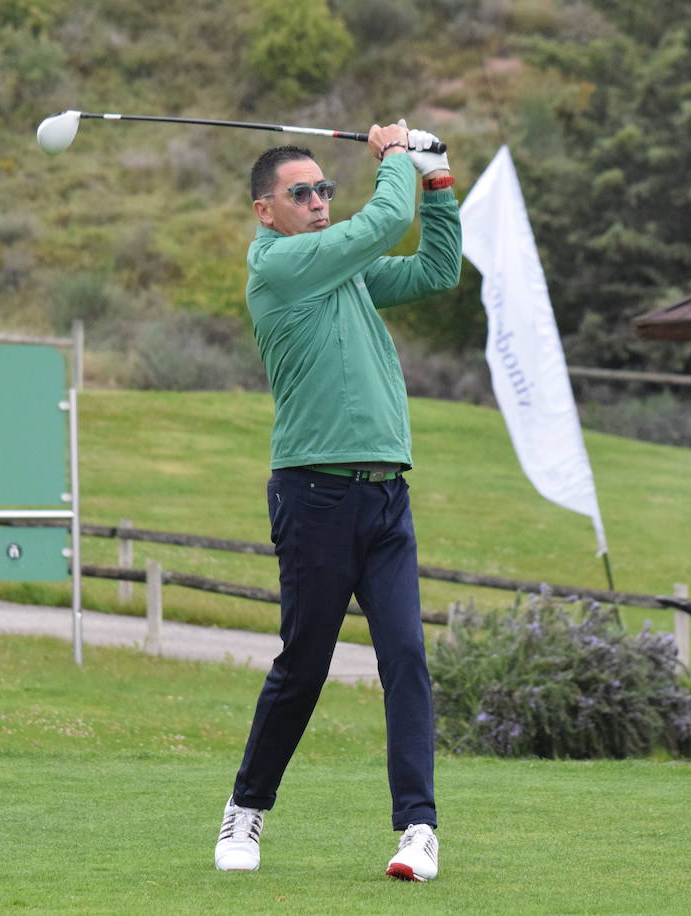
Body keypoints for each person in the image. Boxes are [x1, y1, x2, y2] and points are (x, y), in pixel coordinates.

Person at [213, 120, 461, 882]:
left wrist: (439, 178)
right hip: (314, 496)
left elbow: (436, 269)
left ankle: (418, 830)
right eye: (303, 193)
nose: (321, 201)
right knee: (305, 666)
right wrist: (393, 157)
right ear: (267, 212)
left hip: (386, 496)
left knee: (408, 659)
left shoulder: (341, 272)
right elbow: (386, 219)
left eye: (326, 189)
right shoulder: (283, 268)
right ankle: (246, 811)